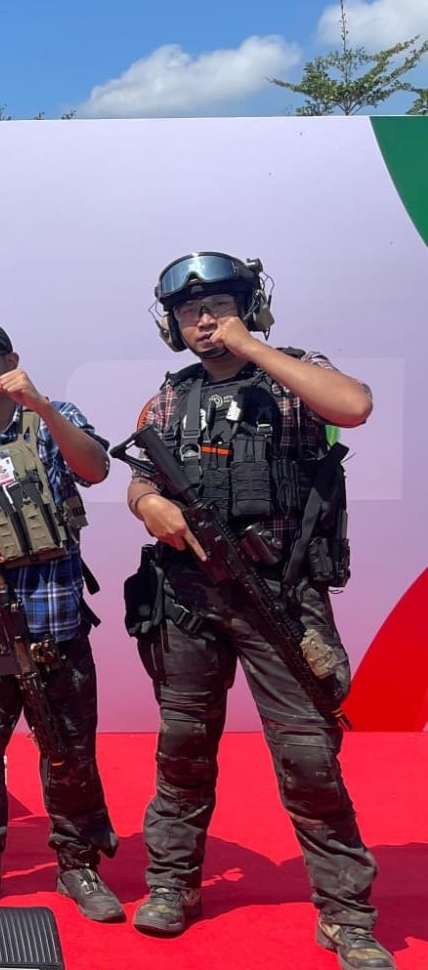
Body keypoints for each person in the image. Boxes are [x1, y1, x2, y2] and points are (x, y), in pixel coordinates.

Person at [124, 252, 390, 969]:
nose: (204, 321)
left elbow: (355, 407)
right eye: (189, 312)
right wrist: (148, 505)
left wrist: (253, 349)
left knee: (308, 756)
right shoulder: (170, 398)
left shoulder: (293, 372)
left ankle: (345, 913)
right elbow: (139, 477)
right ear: (172, 325)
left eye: (218, 306)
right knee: (182, 749)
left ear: (248, 307)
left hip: (281, 597)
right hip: (190, 599)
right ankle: (171, 883)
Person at [0, 320, 122, 921]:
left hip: (55, 623)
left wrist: (41, 405)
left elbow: (95, 469)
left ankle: (77, 863)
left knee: (69, 749)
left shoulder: (51, 419)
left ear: (11, 360)